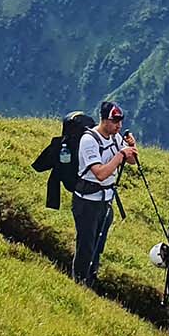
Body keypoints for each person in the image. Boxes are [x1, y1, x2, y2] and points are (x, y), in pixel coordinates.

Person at [72, 100, 136, 286]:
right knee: (86, 244)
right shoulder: (89, 140)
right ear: (104, 120)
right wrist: (121, 155)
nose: (119, 125)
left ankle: (91, 279)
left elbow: (132, 161)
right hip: (87, 202)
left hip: (106, 200)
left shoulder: (115, 138)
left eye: (120, 121)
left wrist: (132, 147)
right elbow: (100, 173)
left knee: (98, 244)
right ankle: (79, 282)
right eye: (115, 121)